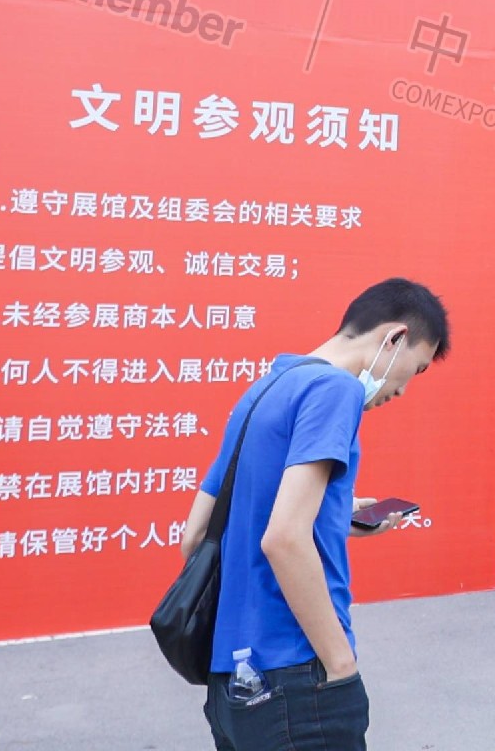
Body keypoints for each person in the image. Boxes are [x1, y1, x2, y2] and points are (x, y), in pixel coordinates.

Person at [182, 278, 451, 751]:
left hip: (231, 687)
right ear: (395, 337)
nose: (403, 389)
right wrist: (340, 662)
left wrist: (334, 517)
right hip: (296, 677)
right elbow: (283, 538)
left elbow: (197, 535)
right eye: (416, 369)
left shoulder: (265, 388)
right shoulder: (335, 389)